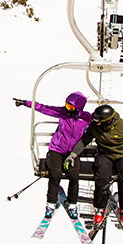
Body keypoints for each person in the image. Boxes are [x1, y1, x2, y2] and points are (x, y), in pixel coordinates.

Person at [13, 91, 91, 220]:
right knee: (55, 174)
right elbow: (44, 108)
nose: (68, 109)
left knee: (74, 175)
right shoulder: (63, 113)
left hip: (73, 153)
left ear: (78, 108)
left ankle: (72, 204)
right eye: (66, 105)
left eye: (71, 107)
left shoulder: (86, 118)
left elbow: (101, 120)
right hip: (56, 150)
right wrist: (26, 103)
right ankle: (50, 204)